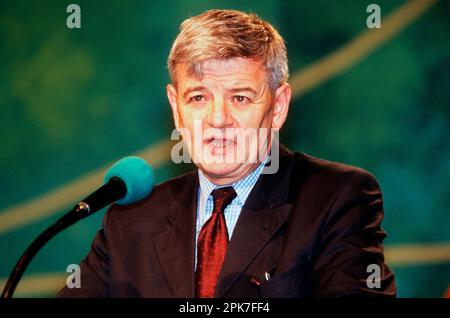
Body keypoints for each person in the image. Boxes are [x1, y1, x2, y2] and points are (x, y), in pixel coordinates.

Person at [58, 9, 396, 298]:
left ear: (278, 106)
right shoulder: (131, 221)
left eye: (240, 98)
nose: (218, 120)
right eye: (199, 98)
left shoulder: (337, 198)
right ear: (177, 109)